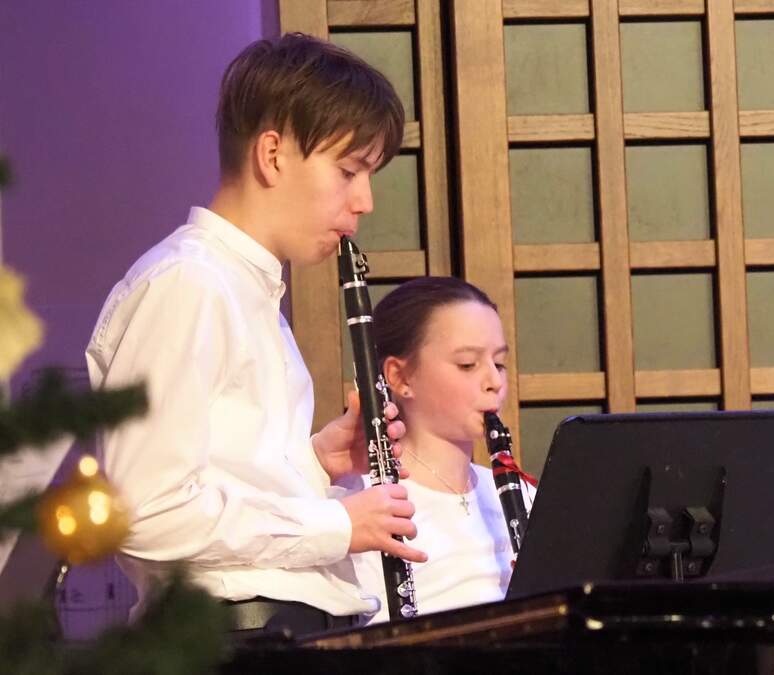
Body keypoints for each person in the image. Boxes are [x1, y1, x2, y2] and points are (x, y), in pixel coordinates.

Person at [85, 33, 426, 635]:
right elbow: (141, 510)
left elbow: (224, 474)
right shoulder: (190, 283)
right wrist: (337, 525)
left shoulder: (246, 291)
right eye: (349, 171)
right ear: (272, 155)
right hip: (236, 638)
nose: (365, 201)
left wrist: (314, 463)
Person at [351, 276, 535, 619]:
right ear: (400, 377)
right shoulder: (363, 506)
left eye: (498, 363)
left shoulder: (526, 498)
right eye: (467, 364)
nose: (494, 381)